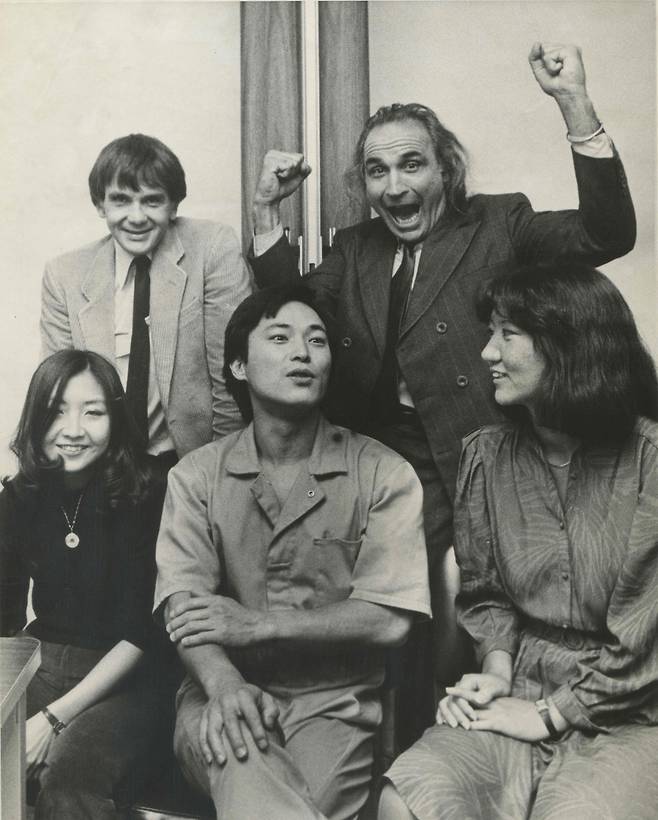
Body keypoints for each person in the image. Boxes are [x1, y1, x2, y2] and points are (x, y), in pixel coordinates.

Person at [247, 42, 636, 746]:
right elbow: (296, 312)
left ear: (445, 171)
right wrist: (266, 212)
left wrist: (573, 102)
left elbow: (607, 233)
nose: (394, 185)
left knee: (484, 607)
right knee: (389, 610)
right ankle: (401, 757)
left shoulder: (499, 222)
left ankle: (505, 739)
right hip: (389, 461)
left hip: (494, 455)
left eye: (411, 164)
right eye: (377, 171)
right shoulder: (357, 247)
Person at [379, 261, 658, 820]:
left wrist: (549, 715)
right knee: (404, 799)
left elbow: (645, 639)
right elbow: (487, 595)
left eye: (507, 334)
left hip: (632, 709)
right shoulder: (486, 456)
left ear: (568, 345)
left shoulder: (650, 460)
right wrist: (497, 673)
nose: (487, 353)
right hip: (522, 686)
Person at [153, 285, 431, 820]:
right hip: (221, 688)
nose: (303, 353)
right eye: (280, 338)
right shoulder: (196, 477)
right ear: (238, 365)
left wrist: (258, 625)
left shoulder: (383, 473)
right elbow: (184, 611)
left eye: (317, 341)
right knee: (240, 751)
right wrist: (225, 684)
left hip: (334, 702)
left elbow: (390, 621)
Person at [0, 350, 175, 819]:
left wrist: (52, 718)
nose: (73, 429)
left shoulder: (149, 491)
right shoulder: (18, 496)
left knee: (69, 782)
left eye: (93, 412)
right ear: (36, 419)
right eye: (57, 411)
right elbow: (4, 621)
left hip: (128, 679)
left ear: (115, 420)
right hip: (42, 664)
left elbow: (143, 633)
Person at [40, 133, 252, 469]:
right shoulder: (64, 275)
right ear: (100, 205)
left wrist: (219, 477)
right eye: (121, 200)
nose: (136, 217)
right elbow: (58, 396)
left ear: (174, 205)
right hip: (101, 469)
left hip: (193, 465)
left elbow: (231, 383)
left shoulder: (212, 248)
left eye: (152, 201)